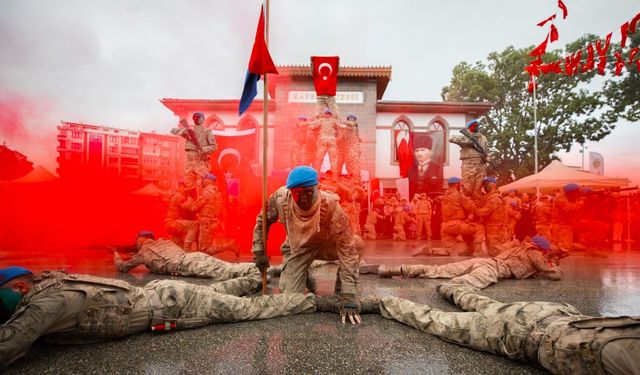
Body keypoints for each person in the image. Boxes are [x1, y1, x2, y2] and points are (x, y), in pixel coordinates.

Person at [0, 267, 379, 366]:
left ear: (19, 289)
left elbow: (10, 343)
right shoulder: (52, 285)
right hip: (163, 294)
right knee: (227, 291)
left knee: (251, 309)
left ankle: (316, 302)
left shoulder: (43, 305)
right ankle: (262, 273)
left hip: (171, 304)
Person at [380, 283, 640, 375]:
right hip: (522, 332)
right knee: (437, 320)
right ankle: (383, 301)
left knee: (486, 305)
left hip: (557, 313)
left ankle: (451, 289)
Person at [251, 166, 364, 324]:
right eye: (298, 194)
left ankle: (340, 289)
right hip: (298, 250)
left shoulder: (331, 205)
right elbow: (262, 221)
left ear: (318, 188)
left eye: (308, 193)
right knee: (290, 300)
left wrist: (349, 293)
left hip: (325, 245)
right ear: (291, 192)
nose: (303, 199)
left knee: (356, 244)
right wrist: (259, 251)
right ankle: (304, 272)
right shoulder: (280, 198)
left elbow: (347, 248)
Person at [378, 236, 564, 290]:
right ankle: (446, 292)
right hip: (493, 269)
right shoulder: (535, 253)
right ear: (542, 249)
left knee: (437, 269)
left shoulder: (519, 247)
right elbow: (554, 275)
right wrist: (554, 264)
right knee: (466, 285)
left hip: (484, 261)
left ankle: (393, 269)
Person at [114, 231, 252, 281]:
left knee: (226, 272)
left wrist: (116, 254)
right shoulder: (164, 241)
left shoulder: (143, 252)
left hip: (186, 263)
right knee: (228, 267)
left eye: (137, 241)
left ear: (140, 240)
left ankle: (259, 271)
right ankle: (258, 269)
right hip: (193, 257)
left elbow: (122, 267)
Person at [412, 177, 482, 257]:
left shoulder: (444, 197)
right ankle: (478, 252)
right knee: (479, 228)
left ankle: (429, 251)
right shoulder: (459, 196)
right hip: (457, 224)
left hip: (446, 226)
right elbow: (472, 207)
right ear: (456, 184)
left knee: (446, 251)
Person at [170, 112, 218, 192]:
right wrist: (184, 132)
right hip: (189, 162)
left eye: (198, 117)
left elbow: (214, 146)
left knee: (201, 185)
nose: (196, 119)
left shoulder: (207, 132)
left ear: (203, 119)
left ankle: (200, 202)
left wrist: (203, 149)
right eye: (195, 118)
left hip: (200, 162)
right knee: (188, 185)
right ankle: (191, 202)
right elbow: (173, 130)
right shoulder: (189, 130)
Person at [449, 119, 489, 199]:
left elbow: (487, 150)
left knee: (478, 188)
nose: (476, 128)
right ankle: (466, 206)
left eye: (477, 126)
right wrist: (467, 141)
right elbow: (451, 138)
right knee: (467, 188)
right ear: (469, 128)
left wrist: (487, 158)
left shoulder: (483, 138)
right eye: (474, 126)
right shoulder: (466, 137)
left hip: (480, 164)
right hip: (468, 164)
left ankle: (475, 207)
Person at [474, 177, 509, 256]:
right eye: (484, 185)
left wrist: (473, 209)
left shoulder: (495, 199)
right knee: (492, 250)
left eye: (486, 184)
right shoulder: (489, 197)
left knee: (495, 251)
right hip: (491, 227)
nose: (485, 187)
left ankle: (513, 247)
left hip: (495, 228)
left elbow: (484, 212)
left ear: (493, 185)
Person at [163, 179, 198, 250]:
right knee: (195, 225)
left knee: (177, 247)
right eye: (187, 189)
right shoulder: (179, 196)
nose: (188, 191)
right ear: (182, 186)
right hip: (173, 223)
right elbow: (190, 207)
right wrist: (191, 198)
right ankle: (187, 250)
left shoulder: (175, 195)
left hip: (172, 224)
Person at [550, 183, 585, 251]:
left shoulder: (570, 199)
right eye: (576, 192)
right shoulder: (561, 199)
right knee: (561, 248)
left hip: (565, 226)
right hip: (559, 227)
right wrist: (581, 203)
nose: (578, 194)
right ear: (570, 192)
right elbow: (568, 208)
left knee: (567, 247)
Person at [407, 134, 443, 199]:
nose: (419, 153)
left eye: (422, 150)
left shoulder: (437, 168)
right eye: (417, 151)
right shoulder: (410, 170)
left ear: (430, 151)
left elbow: (438, 191)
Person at [311, 109, 339, 175]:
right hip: (332, 140)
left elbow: (313, 127)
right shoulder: (334, 121)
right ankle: (334, 176)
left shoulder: (321, 120)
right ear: (330, 115)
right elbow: (340, 127)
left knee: (319, 158)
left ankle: (316, 174)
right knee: (333, 159)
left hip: (323, 140)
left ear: (324, 114)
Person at [335, 114, 361, 178]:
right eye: (350, 119)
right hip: (345, 149)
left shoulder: (352, 126)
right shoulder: (346, 130)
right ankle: (339, 175)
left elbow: (344, 126)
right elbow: (341, 138)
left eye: (352, 119)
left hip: (352, 148)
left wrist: (335, 123)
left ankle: (354, 177)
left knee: (351, 164)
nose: (351, 120)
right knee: (340, 164)